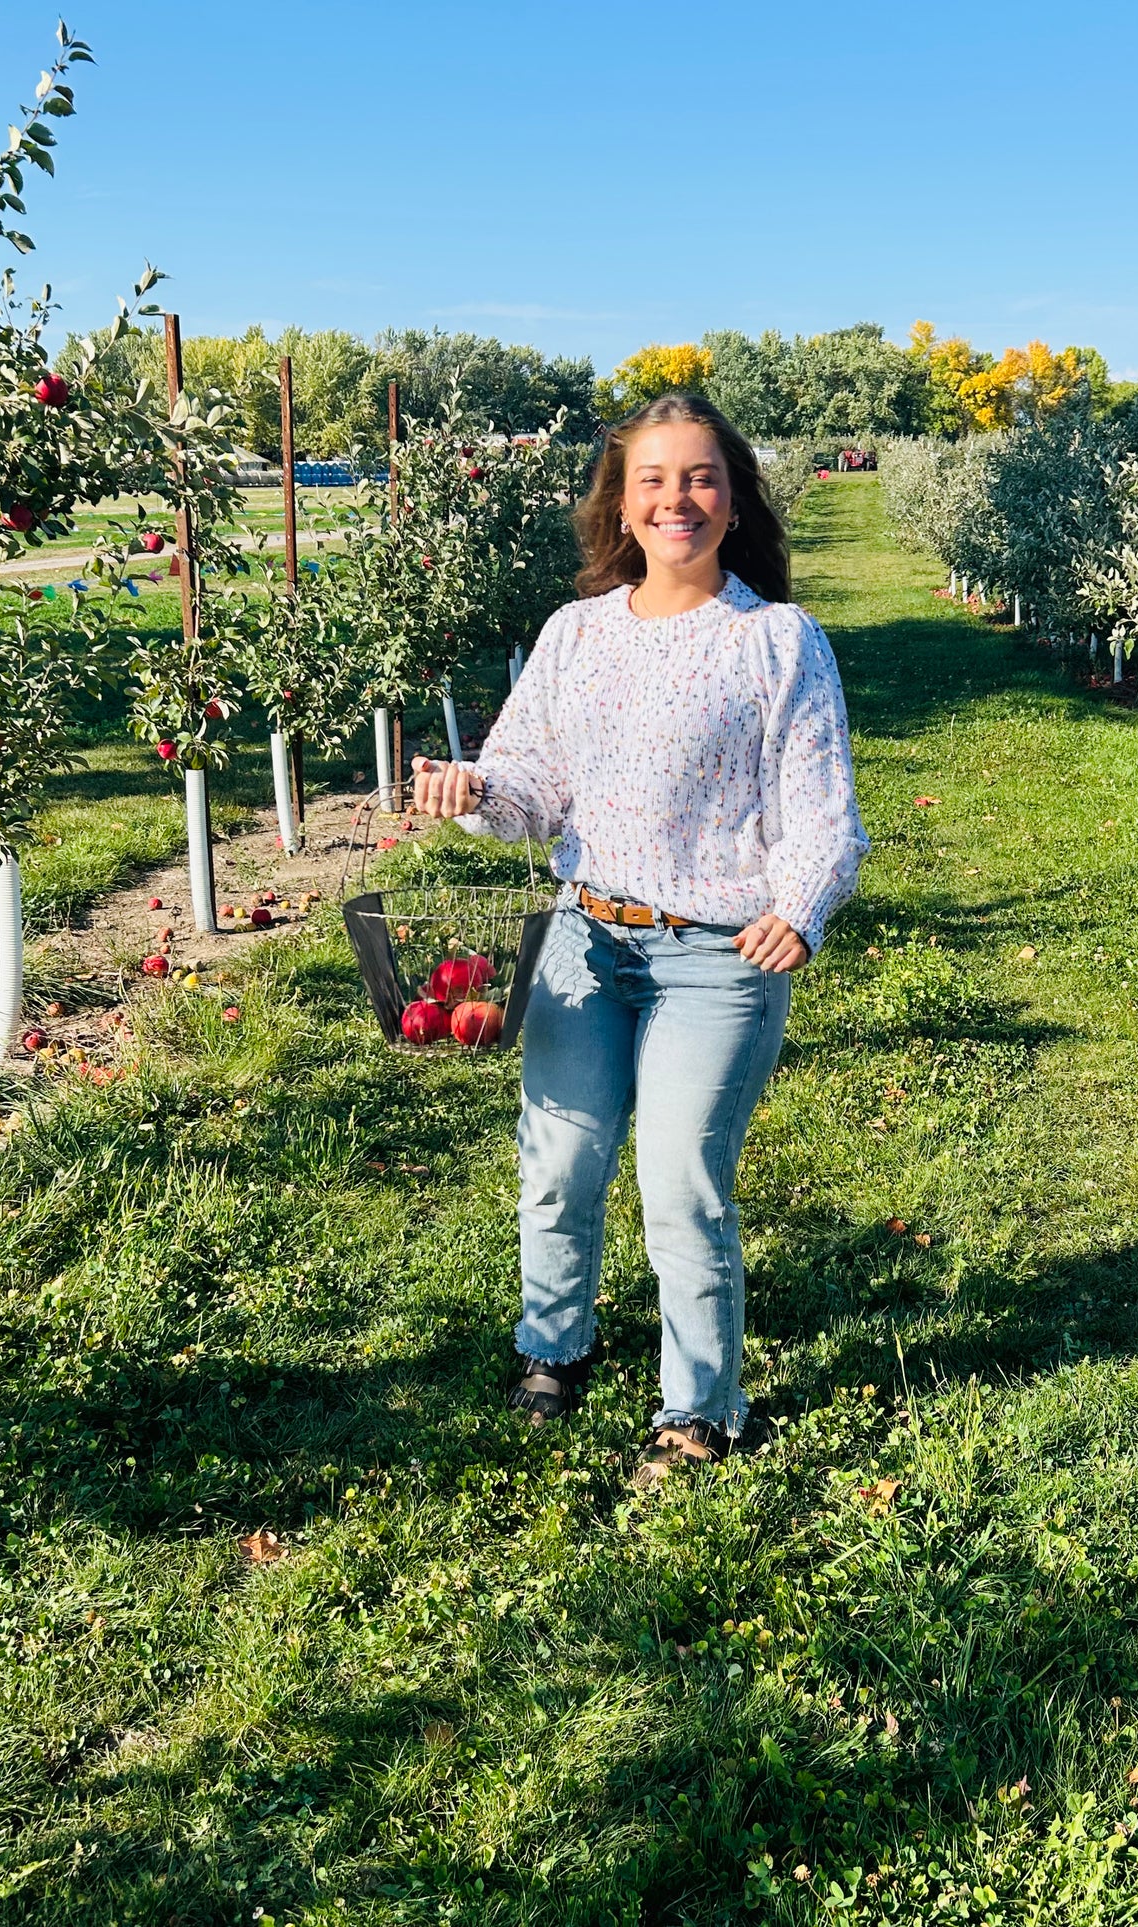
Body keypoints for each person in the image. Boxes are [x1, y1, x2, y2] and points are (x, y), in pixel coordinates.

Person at [412, 392, 868, 1489]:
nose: (677, 499)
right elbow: (528, 788)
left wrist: (797, 908)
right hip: (586, 938)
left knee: (678, 1178)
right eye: (653, 479)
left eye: (700, 477)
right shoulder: (575, 637)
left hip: (717, 955)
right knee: (559, 1161)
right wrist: (473, 787)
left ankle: (697, 1405)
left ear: (732, 498)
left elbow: (824, 817)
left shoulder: (775, 642)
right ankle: (551, 1346)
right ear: (619, 504)